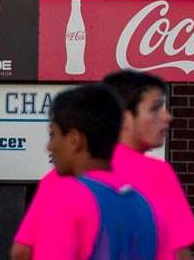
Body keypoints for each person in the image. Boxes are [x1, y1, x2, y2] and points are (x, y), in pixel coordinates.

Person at [13, 72, 194, 259]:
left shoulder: (61, 178)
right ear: (124, 117)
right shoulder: (157, 176)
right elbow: (179, 253)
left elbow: (22, 250)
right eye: (155, 108)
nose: (167, 116)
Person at [25, 84, 160, 259]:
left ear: (74, 139)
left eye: (53, 135)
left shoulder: (66, 199)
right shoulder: (142, 204)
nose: (49, 147)